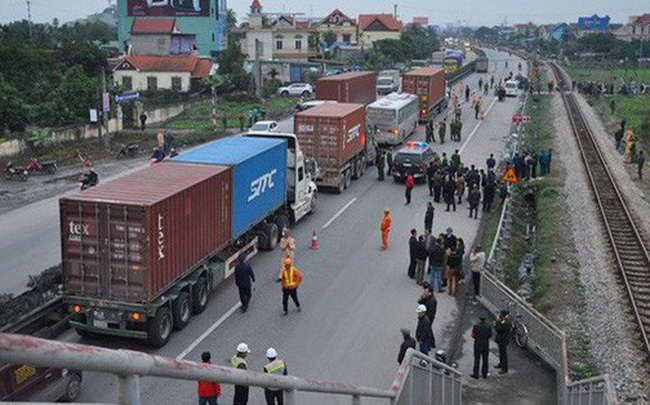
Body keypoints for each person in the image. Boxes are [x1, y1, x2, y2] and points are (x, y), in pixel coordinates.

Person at [471, 311, 493, 379]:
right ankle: (484, 374)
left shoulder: (476, 326)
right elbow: (490, 335)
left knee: (477, 359)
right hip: (485, 344)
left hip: (477, 344)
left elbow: (473, 335)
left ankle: (476, 374)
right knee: (485, 359)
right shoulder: (489, 326)